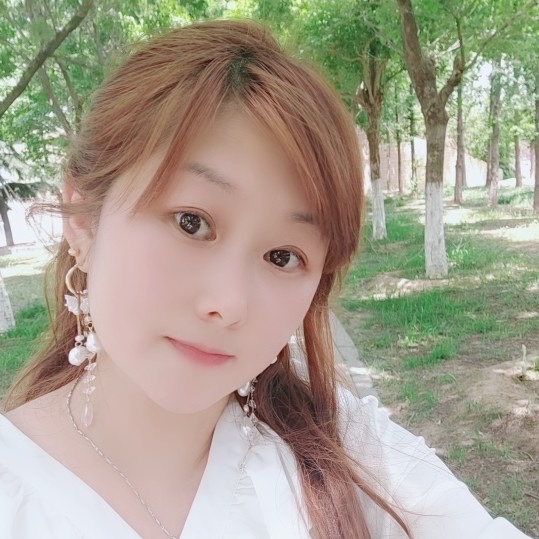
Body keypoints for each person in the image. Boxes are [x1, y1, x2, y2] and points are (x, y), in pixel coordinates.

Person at [0, 19, 531, 539]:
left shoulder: (352, 454)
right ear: (82, 220)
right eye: (191, 222)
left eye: (282, 256)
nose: (229, 303)